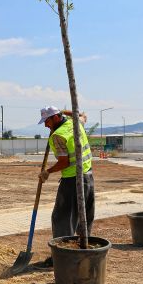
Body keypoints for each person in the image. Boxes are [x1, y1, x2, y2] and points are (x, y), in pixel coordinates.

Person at [37, 106, 95, 268]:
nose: (46, 126)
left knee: (61, 218)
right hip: (88, 177)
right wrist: (65, 112)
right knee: (82, 219)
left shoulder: (58, 136)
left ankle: (61, 257)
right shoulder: (75, 123)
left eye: (47, 121)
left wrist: (47, 172)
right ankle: (83, 253)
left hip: (72, 181)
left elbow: (64, 162)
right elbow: (83, 115)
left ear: (55, 118)